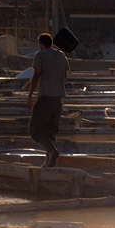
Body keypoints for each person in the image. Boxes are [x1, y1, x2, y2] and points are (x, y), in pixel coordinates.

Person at [27, 33, 69, 167]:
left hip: (45, 97)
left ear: (40, 44)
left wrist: (30, 96)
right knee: (50, 130)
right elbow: (65, 75)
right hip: (58, 98)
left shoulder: (40, 55)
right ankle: (49, 162)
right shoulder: (61, 55)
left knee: (35, 130)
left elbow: (36, 76)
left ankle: (52, 151)